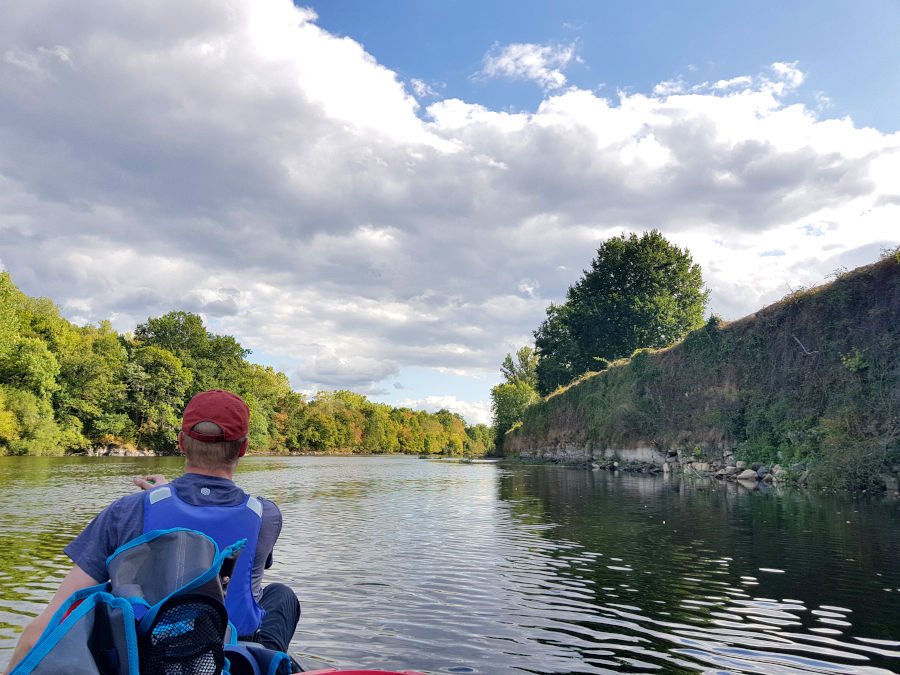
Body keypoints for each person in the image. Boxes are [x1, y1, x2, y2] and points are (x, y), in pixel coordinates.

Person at [3, 389, 300, 674]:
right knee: (280, 595)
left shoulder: (127, 511)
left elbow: (43, 629)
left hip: (150, 659)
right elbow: (213, 519)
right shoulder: (267, 515)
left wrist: (158, 497)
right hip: (232, 660)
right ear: (244, 448)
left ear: (182, 442)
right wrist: (166, 494)